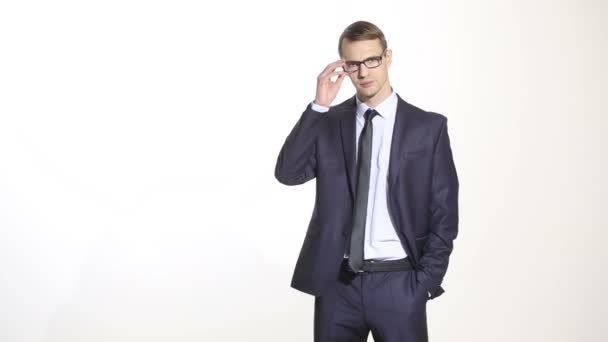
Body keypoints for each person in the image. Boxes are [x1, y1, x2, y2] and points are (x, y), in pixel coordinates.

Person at [274, 20, 459, 342]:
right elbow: (289, 173)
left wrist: (424, 282)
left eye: (371, 60)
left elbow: (444, 211)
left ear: (388, 57)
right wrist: (319, 106)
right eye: (353, 64)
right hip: (337, 285)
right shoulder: (329, 123)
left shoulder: (427, 128)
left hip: (400, 282)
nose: (363, 72)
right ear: (343, 67)